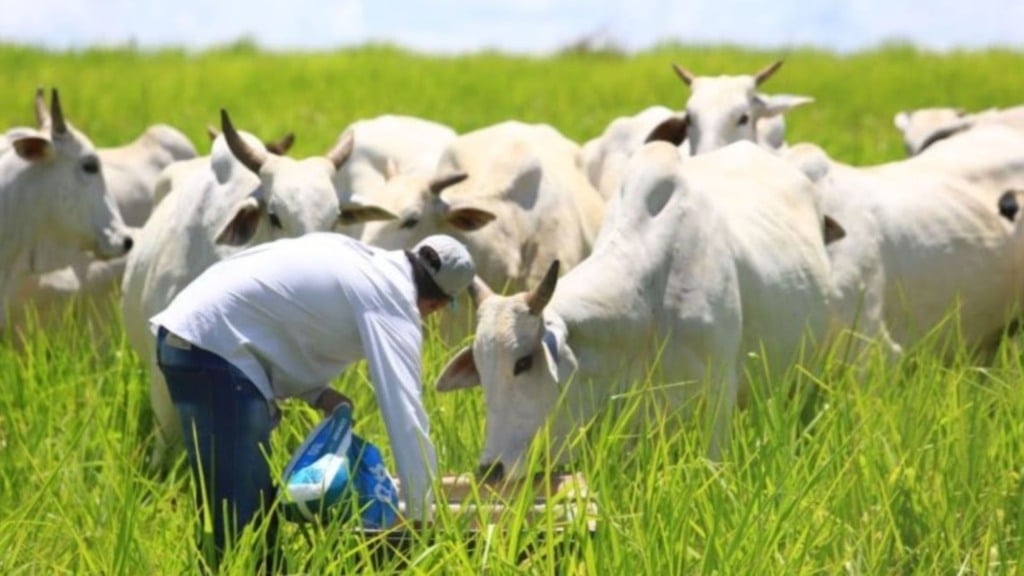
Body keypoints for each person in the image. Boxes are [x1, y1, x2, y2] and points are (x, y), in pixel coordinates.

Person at [150, 232, 475, 571]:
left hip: (191, 334)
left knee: (247, 511)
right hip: (214, 349)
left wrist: (317, 393)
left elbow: (282, 317)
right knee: (242, 526)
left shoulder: (359, 259)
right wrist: (421, 520)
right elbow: (406, 416)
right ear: (437, 305)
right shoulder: (393, 302)